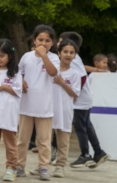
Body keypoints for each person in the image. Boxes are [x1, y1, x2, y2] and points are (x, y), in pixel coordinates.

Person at [16, 25, 59, 180]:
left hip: (44, 107)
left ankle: (43, 167)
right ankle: (19, 166)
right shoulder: (26, 57)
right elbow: (17, 73)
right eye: (40, 39)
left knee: (44, 141)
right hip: (26, 106)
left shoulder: (53, 58)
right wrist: (21, 81)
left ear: (52, 43)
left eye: (47, 40)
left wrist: (44, 56)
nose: (44, 42)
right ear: (34, 40)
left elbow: (53, 72)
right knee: (22, 140)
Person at [0, 39, 22, 182]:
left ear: (10, 55)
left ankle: (11, 167)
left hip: (8, 111)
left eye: (1, 56)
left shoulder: (15, 72)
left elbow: (18, 91)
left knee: (10, 143)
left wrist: (3, 87)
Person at [71, 54, 110, 169]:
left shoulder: (72, 58)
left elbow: (82, 77)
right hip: (84, 98)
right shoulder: (76, 57)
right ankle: (98, 152)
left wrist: (75, 92)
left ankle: (85, 154)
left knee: (80, 127)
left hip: (80, 99)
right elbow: (84, 69)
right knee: (87, 125)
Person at [49, 39, 82, 178]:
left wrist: (62, 83)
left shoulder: (75, 74)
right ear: (59, 53)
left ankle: (60, 166)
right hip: (49, 110)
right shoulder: (51, 70)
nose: (68, 55)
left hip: (65, 111)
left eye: (72, 52)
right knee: (44, 141)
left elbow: (75, 93)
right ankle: (43, 166)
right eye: (65, 52)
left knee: (63, 141)